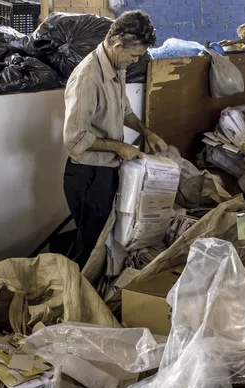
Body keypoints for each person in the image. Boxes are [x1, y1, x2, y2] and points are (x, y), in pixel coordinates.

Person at [63, 10, 168, 269]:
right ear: (118, 45)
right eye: (134, 56)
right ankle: (75, 300)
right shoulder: (87, 77)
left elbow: (124, 111)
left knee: (103, 245)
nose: (135, 61)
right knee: (89, 250)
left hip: (107, 170)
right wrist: (119, 147)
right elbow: (74, 138)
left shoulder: (115, 65)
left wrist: (146, 132)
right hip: (87, 174)